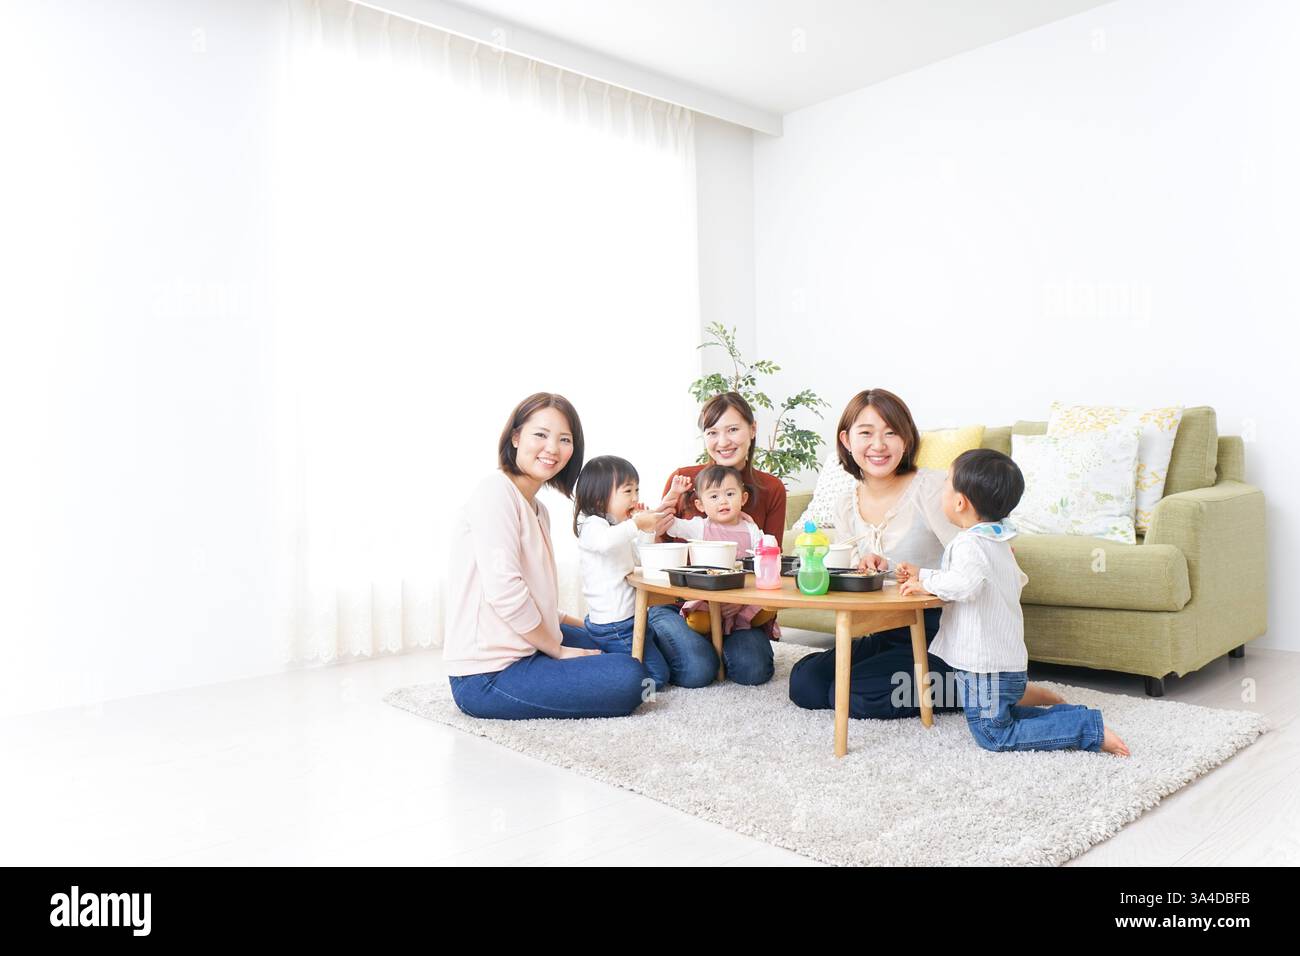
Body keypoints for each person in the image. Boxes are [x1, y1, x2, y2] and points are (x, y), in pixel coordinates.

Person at [789, 388, 1063, 718]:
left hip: (938, 633)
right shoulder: (846, 502)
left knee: (856, 695)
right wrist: (867, 566)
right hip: (883, 628)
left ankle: (994, 690)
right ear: (847, 440)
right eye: (866, 433)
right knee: (806, 683)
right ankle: (975, 688)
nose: (878, 445)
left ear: (907, 439)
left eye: (891, 433)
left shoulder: (936, 489)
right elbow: (857, 574)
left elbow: (980, 556)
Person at [896, 449, 1130, 755]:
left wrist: (925, 581)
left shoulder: (968, 542)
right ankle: (1072, 717)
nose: (941, 490)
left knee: (994, 734)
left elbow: (963, 584)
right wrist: (924, 573)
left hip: (985, 668)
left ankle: (1086, 729)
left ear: (959, 502)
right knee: (1002, 719)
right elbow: (983, 580)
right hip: (1005, 662)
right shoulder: (998, 542)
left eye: (946, 484)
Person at [443, 393, 650, 719]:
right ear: (515, 437)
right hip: (487, 674)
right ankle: (560, 664)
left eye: (564, 439)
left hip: (527, 643)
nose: (552, 448)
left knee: (617, 644)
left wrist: (581, 627)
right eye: (540, 434)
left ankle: (563, 659)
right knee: (630, 676)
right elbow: (506, 594)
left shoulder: (538, 510)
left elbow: (535, 598)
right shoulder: (494, 493)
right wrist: (557, 649)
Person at [572, 455, 684, 690]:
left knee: (660, 658)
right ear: (599, 497)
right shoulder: (593, 525)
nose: (635, 497)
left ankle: (614, 657)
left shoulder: (616, 527)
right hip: (614, 623)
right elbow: (605, 543)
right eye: (628, 491)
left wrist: (646, 528)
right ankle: (604, 668)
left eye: (637, 490)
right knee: (657, 677)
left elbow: (639, 555)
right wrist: (634, 525)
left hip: (630, 619)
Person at [661, 464, 778, 639]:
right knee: (699, 619)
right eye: (714, 496)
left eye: (730, 494)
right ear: (700, 505)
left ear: (743, 498)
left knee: (765, 607)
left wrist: (742, 600)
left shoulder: (751, 529)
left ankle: (743, 622)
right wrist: (674, 495)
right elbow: (667, 522)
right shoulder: (699, 527)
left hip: (741, 595)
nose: (723, 501)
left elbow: (764, 560)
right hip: (707, 596)